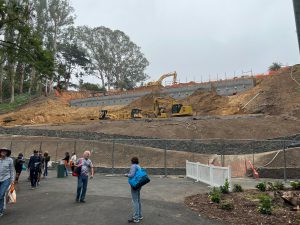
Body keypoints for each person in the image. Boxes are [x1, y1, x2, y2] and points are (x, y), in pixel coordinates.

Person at [125, 157, 143, 223]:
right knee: (138, 200)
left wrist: (126, 175)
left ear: (132, 161)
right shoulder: (138, 166)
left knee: (135, 201)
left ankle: (136, 217)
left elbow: (131, 175)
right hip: (139, 184)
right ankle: (140, 215)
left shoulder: (133, 166)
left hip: (134, 185)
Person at [0, 148, 14, 217]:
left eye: (5, 151)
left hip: (6, 179)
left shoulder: (10, 160)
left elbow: (12, 171)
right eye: (2, 151)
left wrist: (12, 181)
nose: (3, 152)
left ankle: (0, 210)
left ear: (7, 153)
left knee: (1, 194)